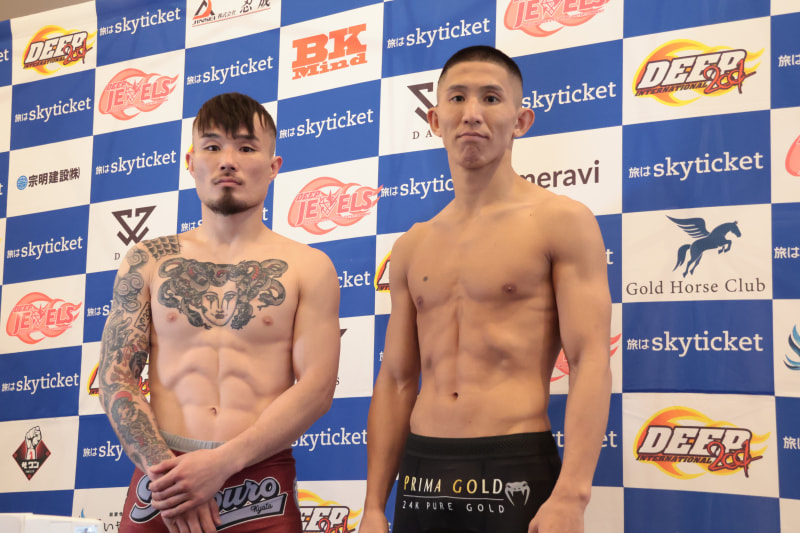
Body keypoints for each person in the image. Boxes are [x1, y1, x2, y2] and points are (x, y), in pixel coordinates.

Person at [361, 46, 612, 533]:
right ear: (435, 120)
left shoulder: (560, 221)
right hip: (422, 472)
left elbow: (589, 360)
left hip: (513, 464)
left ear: (521, 120)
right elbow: (396, 379)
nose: (472, 113)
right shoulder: (412, 244)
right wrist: (373, 505)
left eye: (491, 98)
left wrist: (572, 494)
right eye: (457, 97)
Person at [98, 92, 341, 533]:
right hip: (162, 479)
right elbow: (116, 378)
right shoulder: (147, 261)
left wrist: (220, 464)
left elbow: (317, 389)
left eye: (246, 147)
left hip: (259, 480)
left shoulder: (309, 266)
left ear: (273, 166)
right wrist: (170, 478)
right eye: (212, 146)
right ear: (191, 162)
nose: (228, 161)